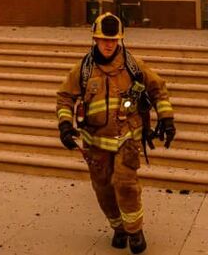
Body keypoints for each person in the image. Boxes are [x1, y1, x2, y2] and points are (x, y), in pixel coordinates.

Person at [56, 13, 175, 254]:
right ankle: (118, 227)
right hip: (95, 142)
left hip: (127, 137)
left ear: (120, 40)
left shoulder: (133, 66)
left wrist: (167, 118)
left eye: (113, 40)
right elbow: (65, 97)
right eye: (103, 39)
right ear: (95, 39)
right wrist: (65, 125)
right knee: (102, 188)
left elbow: (158, 89)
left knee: (125, 184)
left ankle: (135, 231)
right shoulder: (84, 69)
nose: (109, 44)